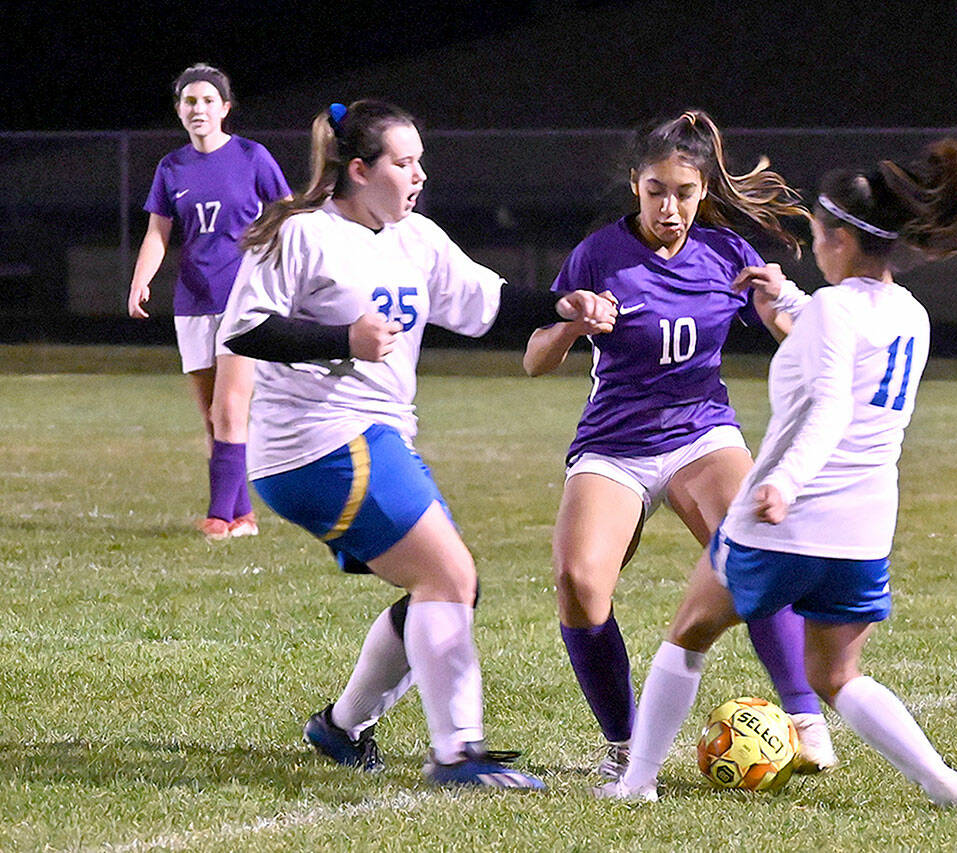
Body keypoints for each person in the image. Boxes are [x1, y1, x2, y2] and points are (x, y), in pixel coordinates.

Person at [218, 99, 616, 789]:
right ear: (360, 169)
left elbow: (486, 301)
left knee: (448, 582)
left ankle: (342, 727)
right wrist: (344, 339)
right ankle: (456, 752)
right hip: (316, 443)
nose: (418, 174)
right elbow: (245, 331)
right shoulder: (302, 233)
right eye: (404, 163)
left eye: (420, 162)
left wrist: (563, 305)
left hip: (372, 439)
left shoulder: (414, 238)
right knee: (448, 577)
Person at [594, 138, 957, 805]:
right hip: (862, 535)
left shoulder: (838, 310)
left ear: (838, 237)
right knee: (837, 675)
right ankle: (946, 783)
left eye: (815, 235)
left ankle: (635, 784)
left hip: (784, 522)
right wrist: (785, 297)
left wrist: (784, 481)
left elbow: (831, 403)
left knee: (688, 635)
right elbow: (840, 339)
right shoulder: (909, 315)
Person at [522, 109, 836, 780]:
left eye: (685, 192)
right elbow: (534, 359)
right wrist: (572, 325)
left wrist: (785, 301)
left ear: (704, 192)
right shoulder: (598, 254)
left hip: (702, 432)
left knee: (757, 551)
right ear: (636, 185)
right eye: (656, 190)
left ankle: (805, 719)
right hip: (615, 443)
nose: (670, 206)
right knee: (579, 584)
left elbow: (795, 333)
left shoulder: (727, 254)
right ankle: (625, 744)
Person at [127, 63, 292, 541]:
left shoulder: (252, 156)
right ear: (180, 110)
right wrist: (141, 280)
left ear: (224, 108)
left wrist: (285, 276)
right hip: (192, 299)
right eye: (188, 101)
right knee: (212, 418)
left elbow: (285, 219)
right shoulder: (171, 167)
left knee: (231, 409)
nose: (197, 109)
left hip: (245, 301)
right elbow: (158, 233)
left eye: (206, 101)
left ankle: (219, 516)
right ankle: (242, 515)